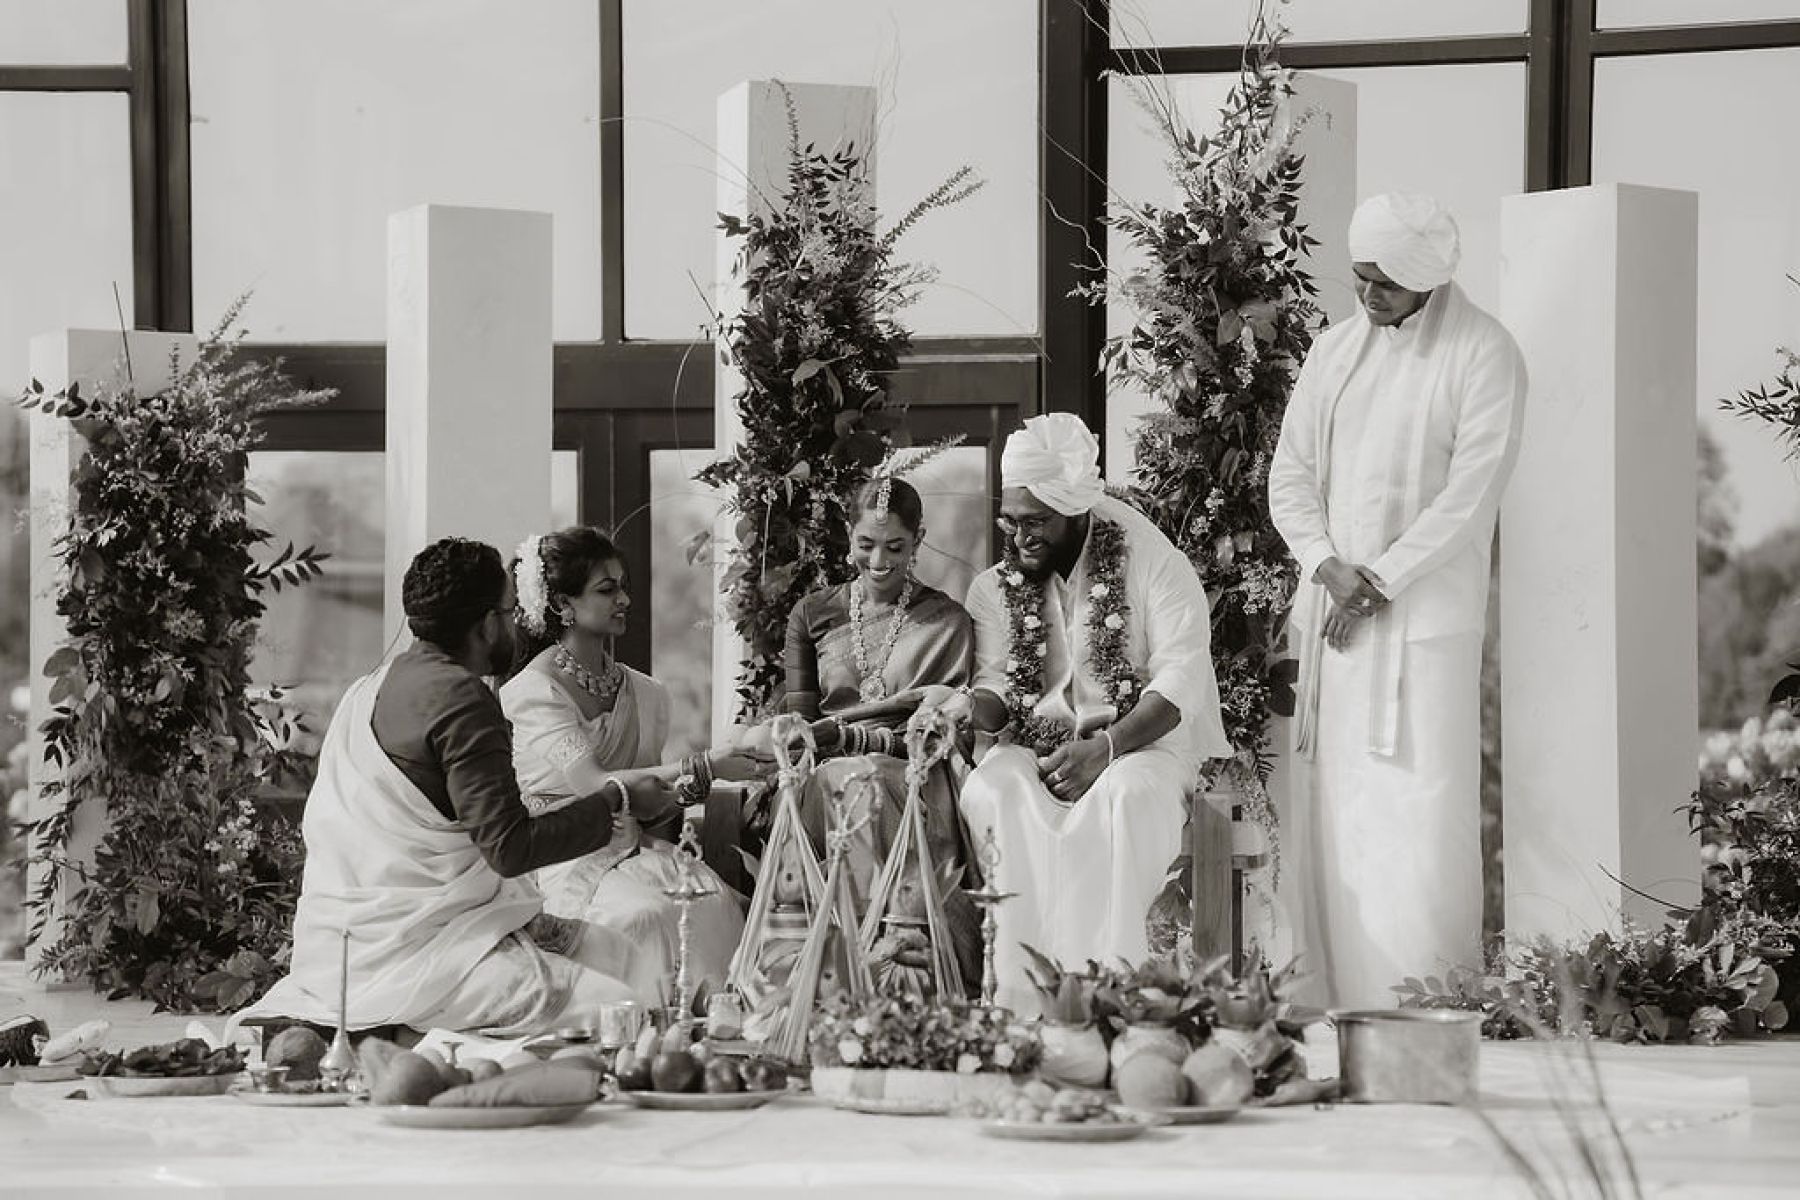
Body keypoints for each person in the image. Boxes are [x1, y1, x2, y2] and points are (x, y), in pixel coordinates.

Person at [1268, 192, 1527, 1009]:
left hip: (1422, 627)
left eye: (1383, 282)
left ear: (1425, 278)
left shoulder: (1485, 353)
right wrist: (1325, 564)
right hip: (1332, 622)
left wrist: (1381, 578)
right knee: (1334, 815)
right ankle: (1334, 1004)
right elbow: (1291, 476)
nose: (1368, 296)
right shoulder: (1333, 350)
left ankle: (1425, 1007)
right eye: (1359, 279)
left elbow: (1472, 493)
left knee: (1419, 815)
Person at [237, 538, 655, 1038]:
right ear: (486, 625)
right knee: (619, 1006)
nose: (519, 624)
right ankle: (425, 1041)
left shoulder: (371, 683)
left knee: (620, 954)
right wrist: (619, 801)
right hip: (419, 947)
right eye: (509, 611)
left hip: (360, 937)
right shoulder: (461, 701)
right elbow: (509, 848)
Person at [925, 413, 1231, 1016]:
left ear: (1074, 508)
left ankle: (1110, 996)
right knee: (995, 788)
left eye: (1035, 522)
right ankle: (1020, 999)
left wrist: (1106, 749)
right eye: (1010, 521)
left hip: (1139, 748)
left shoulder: (1152, 563)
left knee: (1124, 797)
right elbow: (995, 691)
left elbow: (1178, 686)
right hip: (1033, 746)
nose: (1018, 539)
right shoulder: (996, 587)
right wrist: (963, 705)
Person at [499, 526, 751, 1011]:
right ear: (562, 605)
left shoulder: (647, 693)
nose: (625, 599)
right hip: (562, 855)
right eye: (606, 589)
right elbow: (596, 788)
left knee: (709, 899)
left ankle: (708, 1037)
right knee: (644, 914)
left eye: (622, 585)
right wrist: (705, 761)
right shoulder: (533, 691)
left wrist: (699, 781)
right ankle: (631, 1034)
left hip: (634, 849)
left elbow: (651, 808)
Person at [778, 474, 981, 988]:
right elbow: (802, 723)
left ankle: (891, 966)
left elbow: (947, 731)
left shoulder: (946, 621)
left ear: (918, 541)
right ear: (847, 538)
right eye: (865, 545)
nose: (878, 562)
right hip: (823, 770)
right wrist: (815, 743)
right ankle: (851, 966)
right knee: (849, 780)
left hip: (916, 772)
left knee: (867, 780)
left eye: (895, 547)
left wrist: (865, 744)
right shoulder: (812, 615)